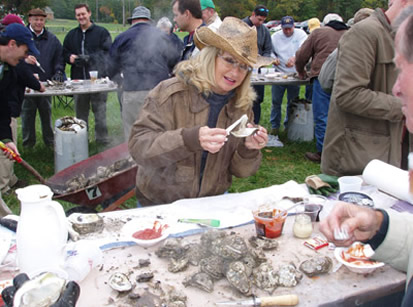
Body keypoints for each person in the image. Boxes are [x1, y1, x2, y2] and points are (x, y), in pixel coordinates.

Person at [128, 17, 268, 206]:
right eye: (229, 60)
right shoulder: (170, 93)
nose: (236, 73)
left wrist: (249, 149)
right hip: (161, 202)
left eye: (244, 66)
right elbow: (139, 147)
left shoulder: (241, 106)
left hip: (211, 203)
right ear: (211, 56)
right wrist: (189, 139)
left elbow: (241, 171)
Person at [321, 1, 412, 176]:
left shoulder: (406, 37)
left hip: (396, 155)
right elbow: (348, 94)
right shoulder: (364, 33)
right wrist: (404, 107)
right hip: (358, 160)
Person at [108, 6, 181, 140]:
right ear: (149, 20)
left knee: (133, 134)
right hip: (160, 93)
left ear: (132, 21)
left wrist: (120, 81)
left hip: (132, 93)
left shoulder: (121, 38)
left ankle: (133, 160)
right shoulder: (163, 37)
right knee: (160, 133)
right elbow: (176, 63)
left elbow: (111, 67)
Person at [295, 13, 348, 163]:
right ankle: (343, 152)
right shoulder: (351, 33)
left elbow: (301, 55)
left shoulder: (318, 32)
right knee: (343, 117)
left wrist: (300, 71)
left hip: (323, 78)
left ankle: (324, 153)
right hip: (346, 79)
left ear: (325, 23)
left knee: (322, 116)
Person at [0, 23, 40, 216]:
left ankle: (6, 223)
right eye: (25, 52)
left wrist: (7, 139)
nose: (26, 57)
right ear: (12, 44)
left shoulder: (8, 70)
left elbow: (1, 108)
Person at [63, 3, 112, 145]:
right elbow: (64, 52)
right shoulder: (72, 35)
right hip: (78, 80)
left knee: (100, 112)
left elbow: (108, 53)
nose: (81, 17)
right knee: (80, 114)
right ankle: (81, 140)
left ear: (89, 13)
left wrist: (90, 58)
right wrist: (69, 58)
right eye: (78, 15)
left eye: (83, 14)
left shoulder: (101, 32)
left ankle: (102, 140)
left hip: (98, 80)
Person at [21, 8, 65, 148]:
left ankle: (50, 142)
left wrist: (58, 70)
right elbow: (12, 58)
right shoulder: (22, 38)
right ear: (30, 20)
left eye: (41, 20)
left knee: (46, 113)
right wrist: (25, 59)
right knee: (27, 114)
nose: (39, 23)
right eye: (36, 20)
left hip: (45, 84)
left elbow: (59, 58)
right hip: (27, 84)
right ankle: (28, 144)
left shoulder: (52, 39)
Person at [270, 16, 307, 147]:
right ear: (281, 27)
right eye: (284, 29)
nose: (287, 31)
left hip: (294, 74)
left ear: (293, 26)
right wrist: (274, 59)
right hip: (279, 73)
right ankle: (274, 126)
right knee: (276, 101)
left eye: (289, 28)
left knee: (292, 102)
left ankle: (289, 125)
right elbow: (270, 51)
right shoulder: (275, 37)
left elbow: (304, 50)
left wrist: (295, 58)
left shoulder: (301, 34)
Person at [242, 5, 272, 125]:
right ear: (253, 14)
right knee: (242, 99)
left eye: (263, 20)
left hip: (257, 71)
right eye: (259, 19)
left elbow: (268, 49)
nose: (261, 22)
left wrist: (262, 61)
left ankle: (254, 125)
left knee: (257, 100)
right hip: (242, 69)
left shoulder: (264, 31)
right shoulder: (241, 26)